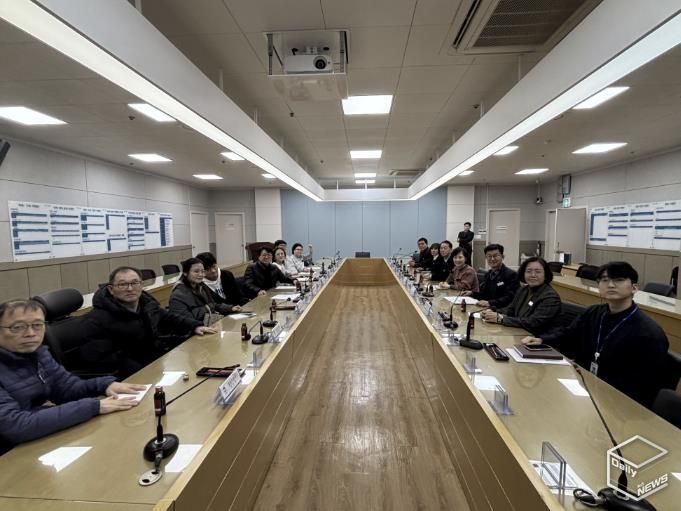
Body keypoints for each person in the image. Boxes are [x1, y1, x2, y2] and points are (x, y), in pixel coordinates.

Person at [0, 299, 146, 454]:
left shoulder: (38, 354)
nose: (30, 333)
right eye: (17, 327)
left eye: (37, 325)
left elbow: (67, 389)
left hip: (32, 440)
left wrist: (104, 385)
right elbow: (15, 426)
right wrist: (93, 406)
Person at [522, 262, 669, 408]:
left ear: (634, 288)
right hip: (586, 389)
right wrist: (542, 340)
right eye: (605, 280)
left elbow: (643, 387)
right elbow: (569, 335)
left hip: (619, 403)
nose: (610, 285)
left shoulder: (648, 333)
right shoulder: (594, 312)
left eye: (618, 280)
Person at [80, 267, 216, 378]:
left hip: (155, 365)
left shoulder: (147, 304)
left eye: (134, 283)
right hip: (129, 377)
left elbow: (169, 317)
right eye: (122, 284)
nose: (130, 289)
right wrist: (147, 372)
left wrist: (195, 326)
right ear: (111, 289)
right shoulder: (96, 320)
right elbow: (111, 360)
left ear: (142, 285)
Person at [481, 256, 560, 336]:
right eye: (529, 271)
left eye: (538, 272)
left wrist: (501, 319)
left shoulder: (550, 297)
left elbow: (533, 322)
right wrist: (492, 311)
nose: (533, 275)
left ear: (546, 275)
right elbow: (510, 309)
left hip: (534, 338)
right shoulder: (523, 290)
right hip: (517, 333)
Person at [168, 258, 241, 322]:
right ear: (185, 273)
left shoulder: (201, 286)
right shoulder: (178, 295)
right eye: (196, 271)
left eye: (202, 271)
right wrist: (207, 308)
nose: (201, 274)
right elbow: (185, 319)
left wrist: (230, 308)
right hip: (192, 330)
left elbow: (213, 305)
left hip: (207, 325)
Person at [465, 243, 519, 308]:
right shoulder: (488, 274)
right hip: (487, 309)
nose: (492, 259)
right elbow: (485, 295)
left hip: (501, 310)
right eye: (489, 256)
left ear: (502, 256)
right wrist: (472, 293)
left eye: (495, 256)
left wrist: (490, 303)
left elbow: (510, 298)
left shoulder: (511, 275)